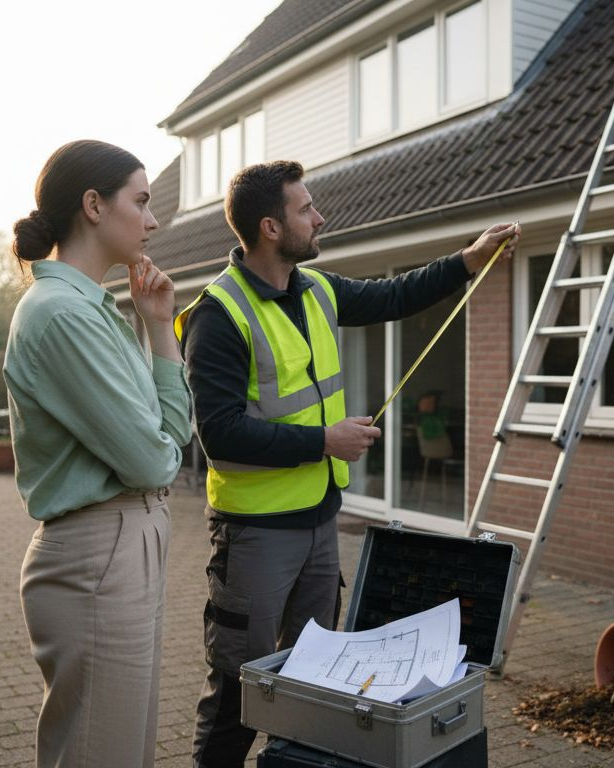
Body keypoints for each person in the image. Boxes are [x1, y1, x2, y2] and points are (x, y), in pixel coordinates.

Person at [175, 160, 518, 767]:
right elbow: (219, 434)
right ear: (270, 228)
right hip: (254, 536)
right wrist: (322, 442)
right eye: (305, 208)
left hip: (318, 527)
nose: (319, 216)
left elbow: (395, 294)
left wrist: (468, 259)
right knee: (237, 694)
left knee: (316, 688)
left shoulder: (317, 289)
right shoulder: (218, 314)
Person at [4, 139, 192, 768]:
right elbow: (154, 460)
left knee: (121, 751)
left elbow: (174, 437)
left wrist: (161, 326)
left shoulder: (100, 311)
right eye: (141, 201)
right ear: (93, 205)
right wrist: (160, 449)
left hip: (120, 546)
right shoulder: (62, 316)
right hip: (98, 553)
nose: (154, 219)